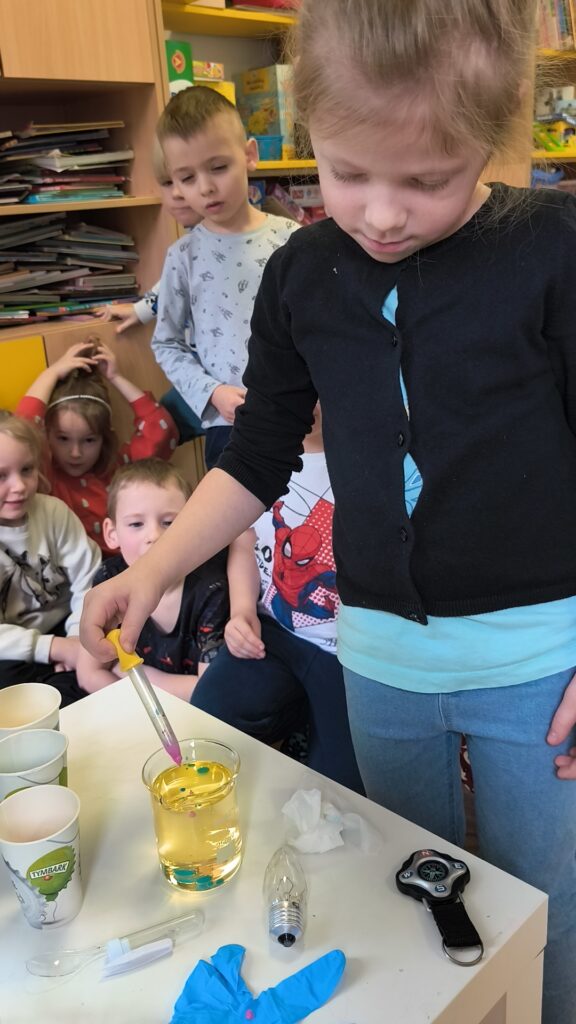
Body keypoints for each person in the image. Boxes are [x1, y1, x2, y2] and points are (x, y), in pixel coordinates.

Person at [80, 2, 576, 1020]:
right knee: (401, 904)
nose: (382, 214)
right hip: (383, 657)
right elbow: (259, 453)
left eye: (427, 180)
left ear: (492, 140)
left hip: (540, 661)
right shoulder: (303, 271)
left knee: (547, 912)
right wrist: (155, 566)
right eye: (348, 174)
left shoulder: (554, 247)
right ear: (308, 134)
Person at [192, 405, 364, 793]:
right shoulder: (257, 451)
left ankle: (309, 719)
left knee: (342, 791)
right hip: (275, 632)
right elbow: (244, 541)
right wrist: (240, 611)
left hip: (347, 654)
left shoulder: (364, 452)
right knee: (207, 718)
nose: (309, 401)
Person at [151, 85, 300, 469]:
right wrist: (212, 392)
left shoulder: (292, 240)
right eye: (186, 178)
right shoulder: (182, 257)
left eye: (218, 167)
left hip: (301, 416)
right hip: (228, 425)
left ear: (249, 155)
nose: (205, 187)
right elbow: (166, 343)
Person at [77, 458, 228, 701]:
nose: (155, 535)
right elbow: (87, 674)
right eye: (136, 524)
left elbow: (208, 691)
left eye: (169, 522)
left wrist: (129, 674)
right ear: (112, 533)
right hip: (134, 711)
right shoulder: (109, 579)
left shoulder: (210, 589)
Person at [17, 339, 178, 554]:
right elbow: (20, 434)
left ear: (104, 438)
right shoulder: (45, 476)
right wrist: (51, 374)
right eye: (63, 439)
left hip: (124, 565)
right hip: (69, 571)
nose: (75, 453)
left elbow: (160, 428)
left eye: (89, 440)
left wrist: (116, 377)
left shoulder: (120, 471)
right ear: (47, 436)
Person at [93, 142, 206, 443]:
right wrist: (142, 309)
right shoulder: (187, 247)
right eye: (168, 183)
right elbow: (172, 281)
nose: (178, 193)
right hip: (199, 369)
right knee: (165, 423)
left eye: (188, 179)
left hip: (228, 372)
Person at [0, 411, 100, 705]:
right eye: (1, 476)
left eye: (27, 470)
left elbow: (89, 578)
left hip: (70, 624)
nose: (19, 486)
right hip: (13, 646)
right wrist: (54, 649)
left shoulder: (53, 512)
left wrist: (78, 638)